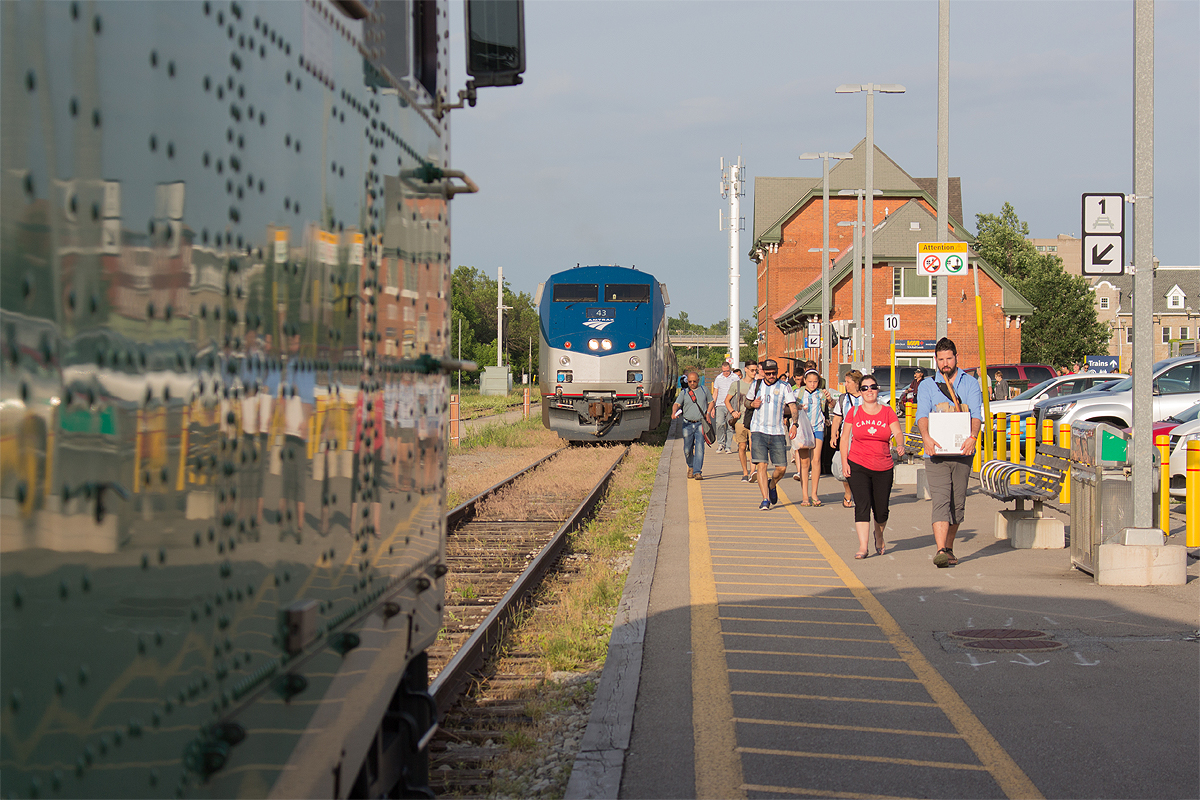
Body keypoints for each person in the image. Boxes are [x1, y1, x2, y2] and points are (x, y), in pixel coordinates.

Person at [916, 338, 984, 568]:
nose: (945, 363)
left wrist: (973, 438)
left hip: (963, 453)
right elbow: (921, 415)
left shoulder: (971, 383)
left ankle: (950, 547)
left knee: (957, 504)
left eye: (949, 358)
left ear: (956, 357)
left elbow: (976, 414)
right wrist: (926, 438)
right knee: (941, 501)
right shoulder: (927, 385)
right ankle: (940, 550)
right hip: (936, 454)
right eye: (941, 359)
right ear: (936, 360)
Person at [840, 375, 905, 559]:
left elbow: (898, 432)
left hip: (883, 465)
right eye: (865, 388)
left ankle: (879, 534)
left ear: (878, 390)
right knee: (862, 504)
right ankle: (863, 546)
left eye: (873, 387)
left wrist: (900, 444)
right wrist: (845, 462)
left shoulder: (887, 412)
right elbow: (845, 438)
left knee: (881, 508)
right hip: (858, 463)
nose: (869, 391)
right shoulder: (854, 412)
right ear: (860, 392)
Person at [745, 358, 798, 511]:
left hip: (777, 432)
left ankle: (772, 484)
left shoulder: (784, 387)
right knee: (762, 465)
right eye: (768, 373)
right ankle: (765, 499)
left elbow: (793, 406)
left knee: (781, 468)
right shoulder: (756, 385)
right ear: (763, 372)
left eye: (774, 373)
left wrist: (795, 424)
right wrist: (752, 404)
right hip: (758, 430)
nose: (771, 376)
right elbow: (747, 403)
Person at [829, 370, 864, 508]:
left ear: (857, 383)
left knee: (862, 467)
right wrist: (833, 434)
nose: (846, 384)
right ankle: (848, 492)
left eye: (848, 382)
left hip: (863, 436)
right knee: (846, 466)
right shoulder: (843, 399)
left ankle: (862, 494)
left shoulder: (866, 397)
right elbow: (837, 418)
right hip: (847, 436)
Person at [793, 369, 828, 506]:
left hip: (818, 427)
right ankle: (804, 495)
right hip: (803, 428)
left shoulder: (821, 394)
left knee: (816, 459)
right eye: (810, 382)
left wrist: (829, 399)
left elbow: (829, 406)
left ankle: (814, 493)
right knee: (804, 461)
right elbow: (789, 407)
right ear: (805, 381)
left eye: (815, 382)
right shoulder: (798, 393)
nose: (812, 384)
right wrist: (797, 408)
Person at [672, 371, 715, 480]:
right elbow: (677, 404)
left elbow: (711, 402)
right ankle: (690, 466)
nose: (692, 383)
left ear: (698, 381)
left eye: (694, 381)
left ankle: (697, 471)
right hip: (687, 424)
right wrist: (674, 412)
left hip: (700, 423)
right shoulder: (684, 392)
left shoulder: (704, 390)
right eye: (690, 381)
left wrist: (708, 413)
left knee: (700, 448)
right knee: (687, 449)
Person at [725, 365, 756, 482]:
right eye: (752, 370)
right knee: (742, 447)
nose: (754, 372)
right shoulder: (736, 385)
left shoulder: (758, 385)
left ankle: (753, 472)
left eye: (755, 370)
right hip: (740, 420)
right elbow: (726, 400)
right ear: (746, 370)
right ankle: (745, 472)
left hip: (755, 420)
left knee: (754, 447)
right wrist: (732, 412)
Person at [711, 361, 737, 454]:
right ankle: (721, 443)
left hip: (731, 405)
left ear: (730, 369)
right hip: (720, 404)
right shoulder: (719, 378)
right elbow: (715, 392)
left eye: (727, 371)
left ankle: (728, 446)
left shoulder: (735, 378)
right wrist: (712, 407)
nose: (726, 373)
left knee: (730, 426)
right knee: (719, 423)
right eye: (724, 371)